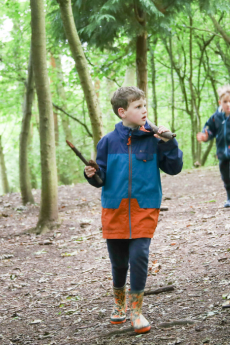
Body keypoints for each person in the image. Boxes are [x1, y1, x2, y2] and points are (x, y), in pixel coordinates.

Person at [84, 86, 183, 333]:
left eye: (144, 105)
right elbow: (102, 179)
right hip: (114, 210)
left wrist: (168, 143)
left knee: (139, 256)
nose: (144, 110)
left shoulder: (155, 138)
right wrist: (92, 175)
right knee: (118, 263)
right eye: (137, 107)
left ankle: (136, 311)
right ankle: (119, 306)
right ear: (122, 112)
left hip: (144, 208)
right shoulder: (106, 142)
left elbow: (175, 168)